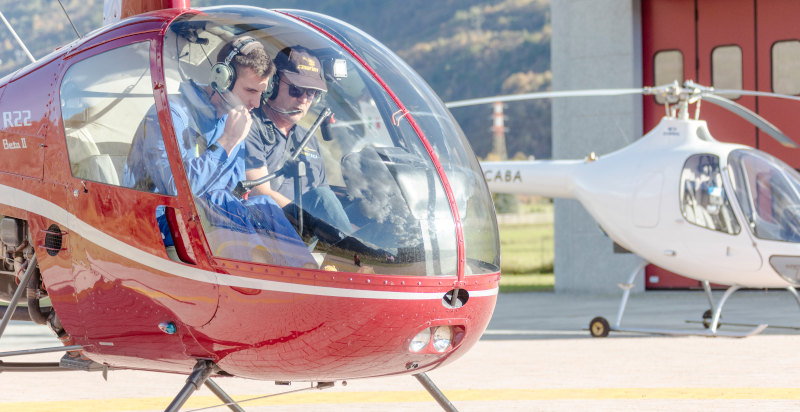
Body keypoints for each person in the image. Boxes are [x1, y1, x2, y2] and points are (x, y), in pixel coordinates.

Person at [123, 37, 311, 266]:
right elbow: (176, 190)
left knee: (266, 206)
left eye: (261, 92)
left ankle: (309, 273)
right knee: (220, 199)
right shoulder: (170, 114)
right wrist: (227, 142)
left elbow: (235, 191)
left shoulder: (229, 121)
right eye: (250, 90)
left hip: (207, 221)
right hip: (157, 222)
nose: (256, 102)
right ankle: (260, 271)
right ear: (222, 79)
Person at [245, 46, 352, 239]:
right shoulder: (250, 125)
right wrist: (312, 222)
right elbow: (257, 190)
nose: (303, 100)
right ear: (273, 85)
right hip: (268, 231)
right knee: (323, 198)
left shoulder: (308, 139)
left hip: (308, 238)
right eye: (296, 90)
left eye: (310, 93)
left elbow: (323, 193)